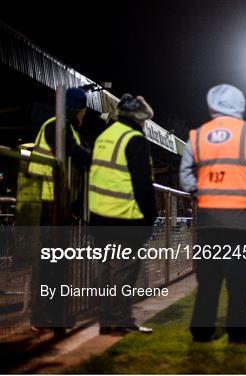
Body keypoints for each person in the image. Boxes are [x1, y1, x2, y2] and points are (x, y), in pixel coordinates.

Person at [180, 84, 246, 345]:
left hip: (209, 219)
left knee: (208, 279)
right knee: (238, 281)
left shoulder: (198, 136)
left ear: (211, 106)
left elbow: (185, 175)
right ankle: (237, 333)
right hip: (243, 220)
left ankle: (201, 332)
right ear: (240, 105)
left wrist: (200, 192)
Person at [89, 94, 156, 335]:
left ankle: (107, 321)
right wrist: (150, 218)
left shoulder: (103, 137)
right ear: (138, 119)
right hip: (124, 217)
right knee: (124, 272)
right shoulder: (135, 139)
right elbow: (142, 185)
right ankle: (121, 320)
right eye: (144, 121)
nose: (145, 125)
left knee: (105, 271)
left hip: (99, 217)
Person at [27, 87, 91, 334]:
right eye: (84, 110)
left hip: (54, 203)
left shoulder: (62, 126)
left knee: (54, 262)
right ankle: (47, 315)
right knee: (51, 263)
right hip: (48, 203)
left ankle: (53, 313)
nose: (85, 115)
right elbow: (77, 154)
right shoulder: (59, 126)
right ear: (78, 109)